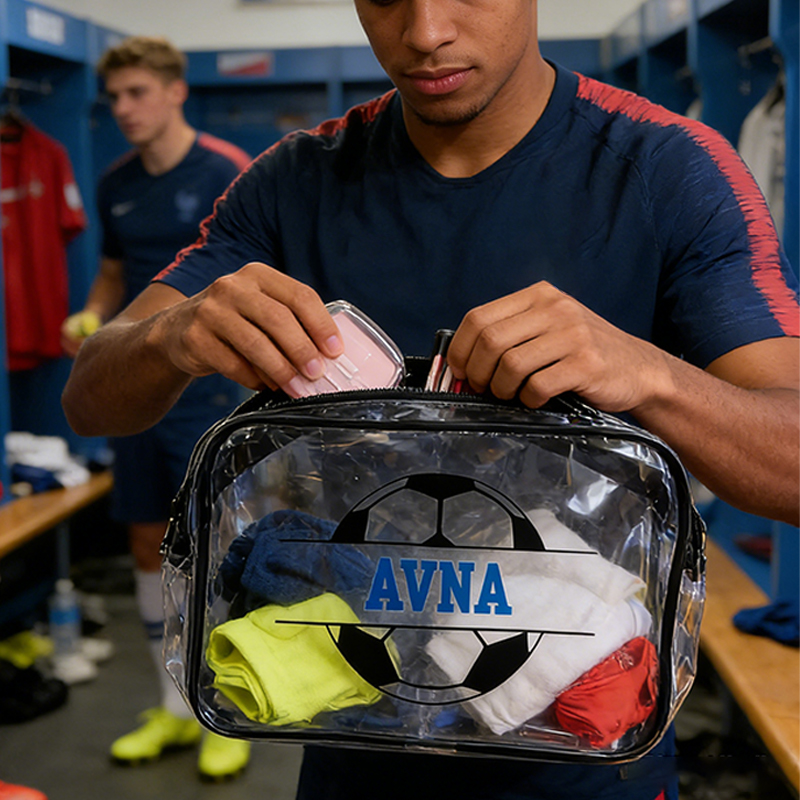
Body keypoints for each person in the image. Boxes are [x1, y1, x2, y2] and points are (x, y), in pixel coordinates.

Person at [62, 1, 799, 798]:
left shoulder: (668, 167)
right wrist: (173, 334)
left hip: (586, 752)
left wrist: (649, 373)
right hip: (352, 746)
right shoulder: (294, 179)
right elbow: (89, 400)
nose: (423, 33)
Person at [60, 36, 252, 782]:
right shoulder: (113, 183)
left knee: (217, 548)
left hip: (213, 391)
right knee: (146, 544)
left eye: (137, 92)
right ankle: (174, 708)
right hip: (139, 392)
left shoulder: (229, 172)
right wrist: (94, 317)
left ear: (176, 91)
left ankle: (224, 707)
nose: (124, 109)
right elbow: (113, 276)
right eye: (114, 98)